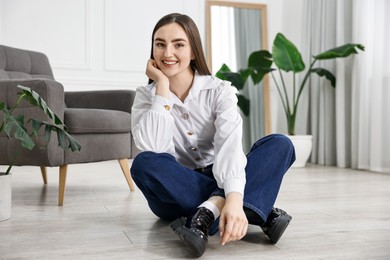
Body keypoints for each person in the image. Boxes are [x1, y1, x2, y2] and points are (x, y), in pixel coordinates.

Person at [130, 13, 296, 257]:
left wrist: (230, 195)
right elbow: (152, 147)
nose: (167, 53)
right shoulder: (147, 95)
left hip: (218, 172)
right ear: (152, 49)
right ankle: (254, 209)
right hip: (175, 187)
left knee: (280, 144)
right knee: (144, 164)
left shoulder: (220, 91)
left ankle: (205, 215)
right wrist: (162, 89)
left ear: (194, 50)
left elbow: (229, 145)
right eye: (160, 44)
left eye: (178, 44)